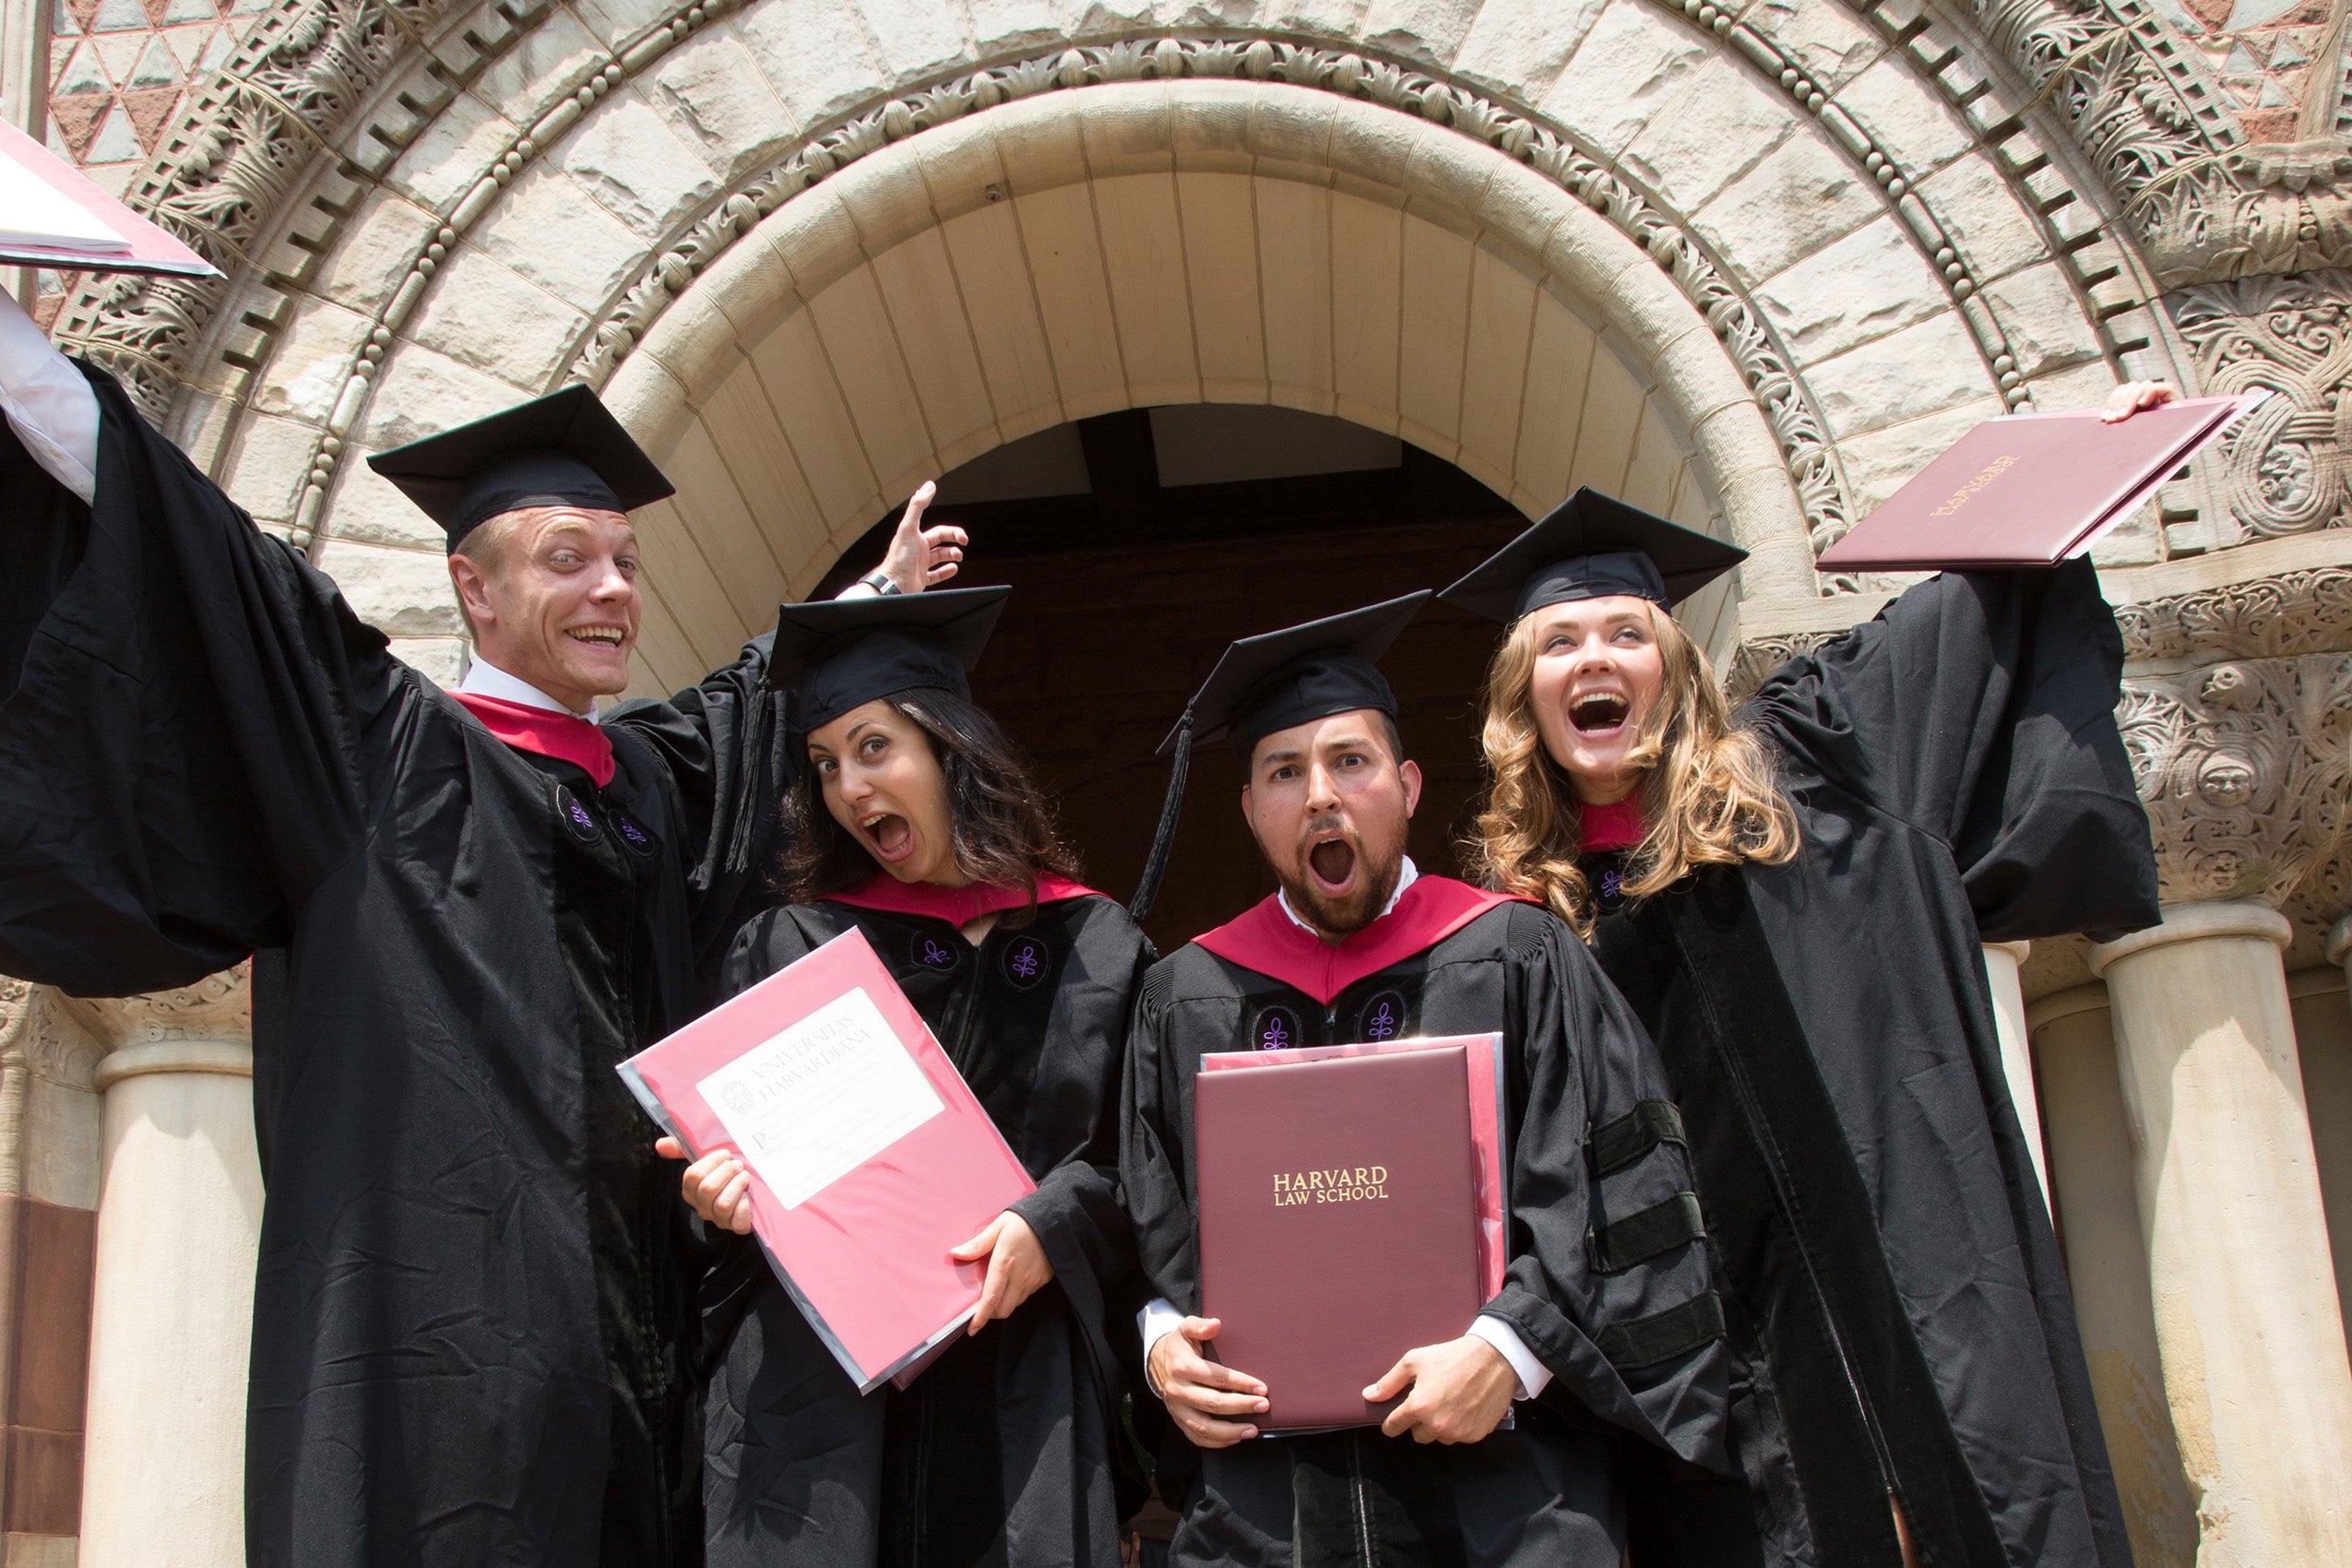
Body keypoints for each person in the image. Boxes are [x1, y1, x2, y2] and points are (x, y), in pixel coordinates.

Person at [0, 283, 964, 1568]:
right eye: (568, 559)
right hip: (445, 1344)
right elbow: (215, 569)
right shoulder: (381, 752)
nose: (612, 589)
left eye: (626, 561)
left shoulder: (649, 782)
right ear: (475, 584)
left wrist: (865, 599)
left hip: (646, 1352)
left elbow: (749, 708)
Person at [1442, 384, 2175, 1568]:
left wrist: (2089, 441)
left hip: (1913, 1273)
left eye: (1628, 633)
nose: (1597, 658)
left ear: (1677, 668)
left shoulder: (1816, 772)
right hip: (1715, 1364)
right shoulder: (1530, 928)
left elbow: (1979, 597)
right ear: (1522, 698)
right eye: (1561, 643)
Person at [1119, 593, 1729, 1567]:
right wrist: (1161, 1345)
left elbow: (1618, 1190)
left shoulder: (1517, 954)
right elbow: (1141, 1221)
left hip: (1510, 1499)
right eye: (1285, 770)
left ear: (1406, 785)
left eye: (1349, 761)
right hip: (1264, 1514)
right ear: (1250, 808)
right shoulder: (1182, 996)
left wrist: (1513, 1346)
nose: (1320, 792)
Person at [665, 588, 1157, 1568]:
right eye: (826, 761)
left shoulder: (1096, 942)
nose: (850, 785)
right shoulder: (794, 942)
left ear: (950, 748)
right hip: (819, 1400)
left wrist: (1048, 1221)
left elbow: (1144, 1164)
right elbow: (728, 1171)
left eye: (875, 746)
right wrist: (711, 1199)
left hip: (1021, 1380)